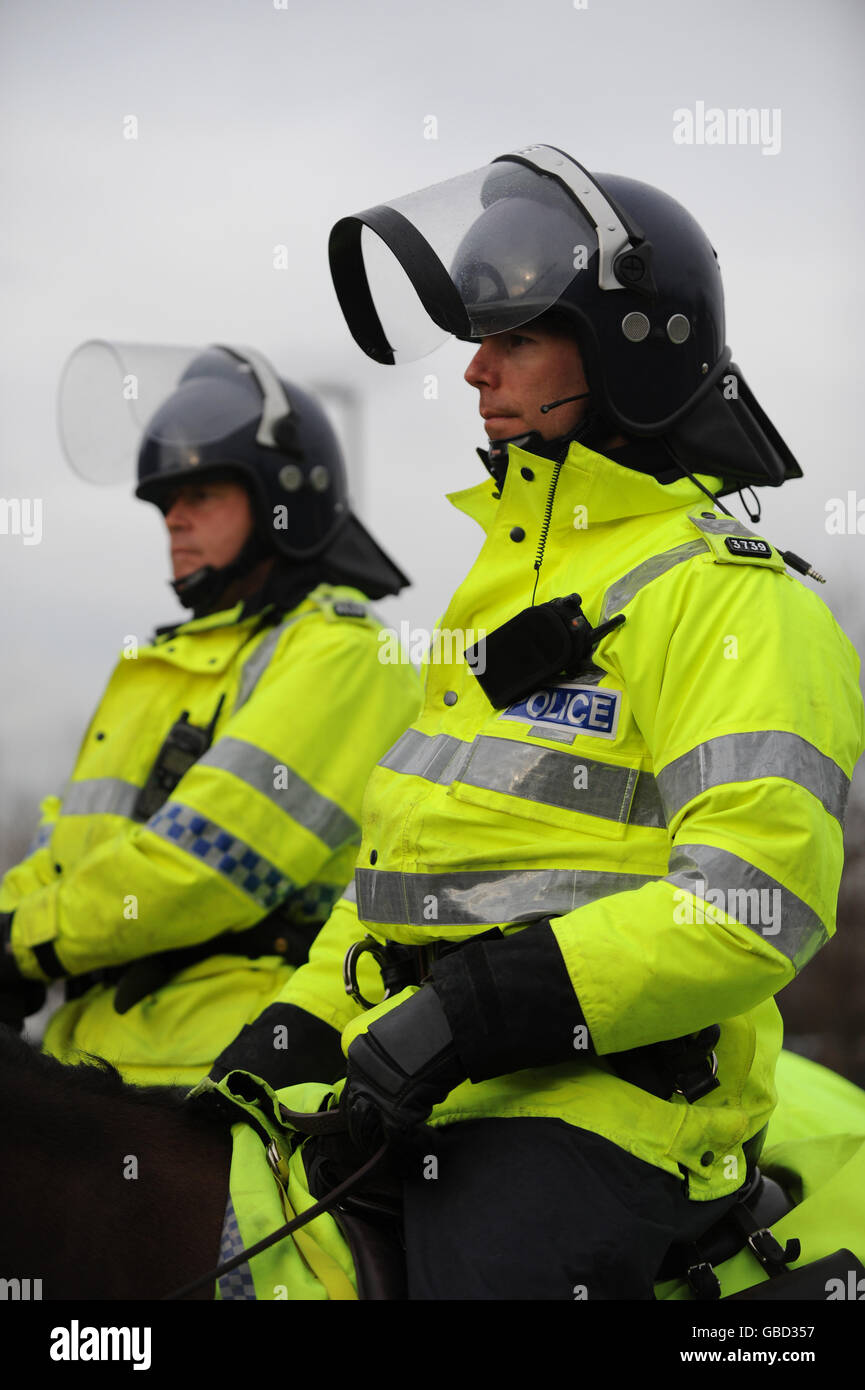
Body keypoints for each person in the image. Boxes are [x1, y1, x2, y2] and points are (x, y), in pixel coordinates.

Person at [210, 150, 865, 1299]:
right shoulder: (495, 596)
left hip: (608, 1103)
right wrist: (288, 1030)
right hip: (424, 1072)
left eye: (513, 337)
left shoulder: (736, 600)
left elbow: (755, 906)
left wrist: (474, 1013)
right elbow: (398, 877)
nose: (472, 371)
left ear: (623, 352)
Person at [0, 344, 421, 1086]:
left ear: (284, 501)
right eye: (167, 503)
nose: (174, 520)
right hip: (92, 1052)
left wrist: (24, 944)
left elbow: (207, 866)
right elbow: (59, 852)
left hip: (226, 1064)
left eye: (202, 495)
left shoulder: (342, 655)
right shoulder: (155, 669)